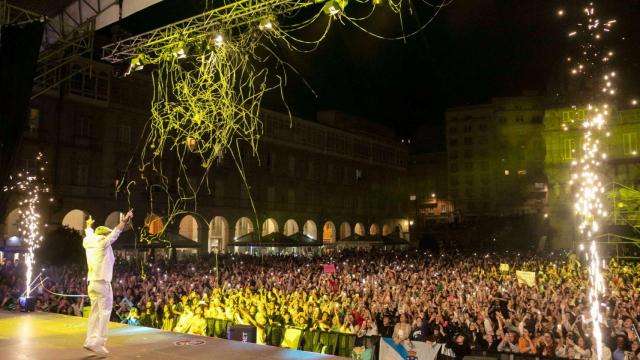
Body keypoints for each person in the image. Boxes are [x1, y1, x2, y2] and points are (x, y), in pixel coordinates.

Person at [83, 210, 133, 355]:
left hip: (92, 282)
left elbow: (89, 234)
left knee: (94, 313)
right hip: (103, 282)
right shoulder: (103, 243)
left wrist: (88, 227)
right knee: (104, 313)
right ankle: (99, 342)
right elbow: (116, 233)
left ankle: (90, 340)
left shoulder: (89, 242)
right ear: (104, 235)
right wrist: (125, 219)